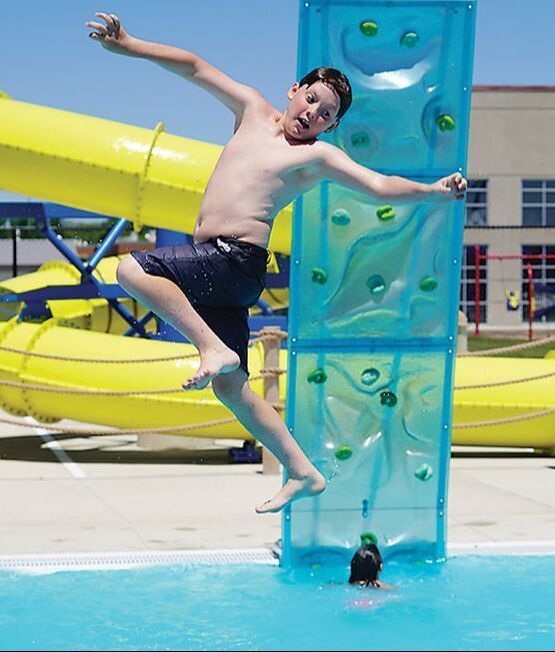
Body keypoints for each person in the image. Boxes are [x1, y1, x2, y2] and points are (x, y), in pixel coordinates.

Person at [85, 12, 467, 514]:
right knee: (231, 387)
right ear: (294, 90)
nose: (312, 114)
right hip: (218, 266)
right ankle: (303, 471)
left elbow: (376, 184)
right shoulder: (250, 109)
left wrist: (433, 192)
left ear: (331, 127)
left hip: (236, 259)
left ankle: (209, 348)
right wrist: (129, 44)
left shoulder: (317, 158)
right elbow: (196, 68)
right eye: (311, 100)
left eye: (326, 115)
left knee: (132, 270)